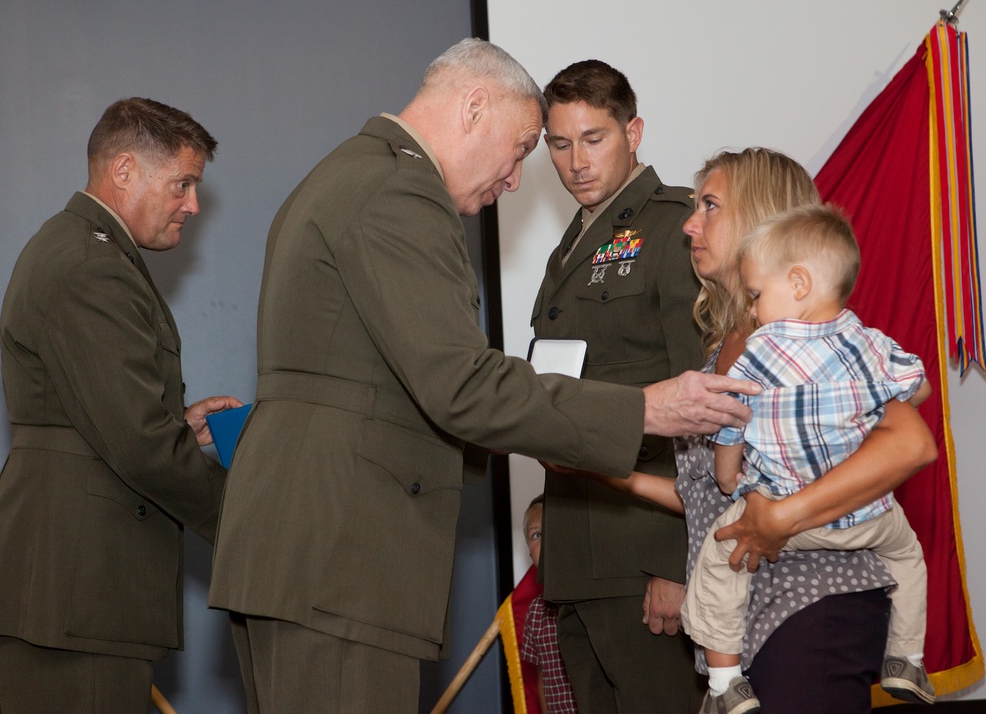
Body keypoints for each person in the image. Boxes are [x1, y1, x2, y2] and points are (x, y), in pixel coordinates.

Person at [207, 39, 756, 713]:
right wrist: (642, 410)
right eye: (528, 145)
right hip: (343, 559)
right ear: (473, 107)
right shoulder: (399, 191)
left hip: (309, 554)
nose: (520, 178)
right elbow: (461, 384)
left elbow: (409, 386)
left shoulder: (348, 175)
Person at [0, 98, 241, 714]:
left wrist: (171, 429)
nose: (193, 204)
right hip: (76, 591)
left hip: (68, 589)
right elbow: (139, 446)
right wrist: (253, 524)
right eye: (182, 183)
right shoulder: (90, 265)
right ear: (123, 170)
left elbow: (103, 422)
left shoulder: (86, 251)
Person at [676, 148, 937, 713]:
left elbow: (913, 442)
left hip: (811, 604)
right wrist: (610, 475)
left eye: (710, 206)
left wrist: (782, 517)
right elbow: (713, 490)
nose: (689, 223)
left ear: (759, 219)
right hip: (753, 618)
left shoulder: (804, 348)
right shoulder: (728, 347)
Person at [530, 59, 704, 712]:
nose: (576, 161)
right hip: (578, 554)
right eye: (560, 142)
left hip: (640, 551)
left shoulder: (675, 226)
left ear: (633, 132)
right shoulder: (572, 243)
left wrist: (674, 562)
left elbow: (698, 404)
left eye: (594, 138)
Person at [519, 495, 579, 713]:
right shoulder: (535, 612)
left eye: (556, 528)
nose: (547, 541)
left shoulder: (594, 602)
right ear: (529, 552)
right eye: (537, 535)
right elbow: (543, 678)